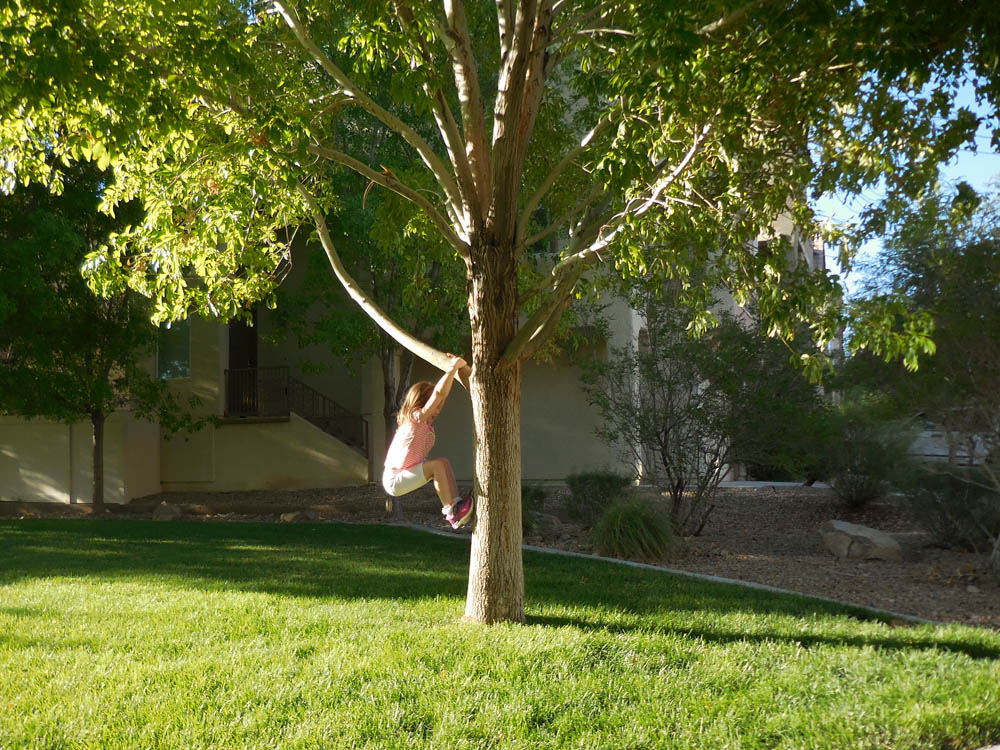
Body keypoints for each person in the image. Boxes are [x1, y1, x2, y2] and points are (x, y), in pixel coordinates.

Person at [382, 355, 473, 529]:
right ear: (421, 404)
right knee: (437, 465)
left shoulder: (423, 421)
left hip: (405, 473)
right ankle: (452, 513)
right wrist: (452, 368)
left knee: (443, 462)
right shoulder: (416, 418)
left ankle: (457, 504)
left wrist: (453, 373)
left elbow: (442, 396)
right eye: (434, 407)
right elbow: (439, 394)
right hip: (394, 478)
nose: (437, 411)